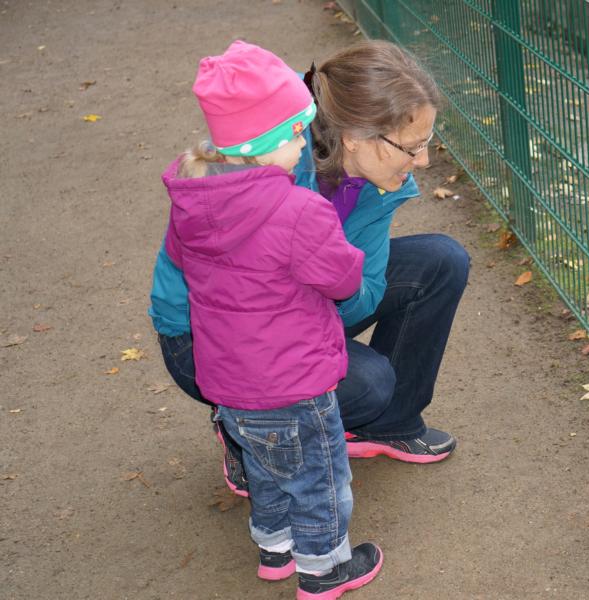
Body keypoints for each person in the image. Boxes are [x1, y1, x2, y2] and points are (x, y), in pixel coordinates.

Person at [149, 40, 470, 491]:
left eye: (427, 143)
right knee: (367, 384)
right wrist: (327, 278)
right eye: (413, 146)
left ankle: (389, 423)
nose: (423, 161)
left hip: (296, 310)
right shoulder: (269, 157)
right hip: (213, 336)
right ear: (357, 137)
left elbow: (364, 293)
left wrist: (331, 276)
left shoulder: (382, 184)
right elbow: (243, 300)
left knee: (442, 260)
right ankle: (247, 432)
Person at [161, 40, 381, 599]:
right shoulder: (297, 211)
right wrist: (351, 254)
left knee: (266, 468)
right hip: (294, 380)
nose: (304, 142)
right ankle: (325, 567)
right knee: (319, 476)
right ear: (265, 145)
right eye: (296, 133)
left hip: (231, 384)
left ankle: (275, 548)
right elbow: (342, 281)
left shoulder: (192, 202)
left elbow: (186, 265)